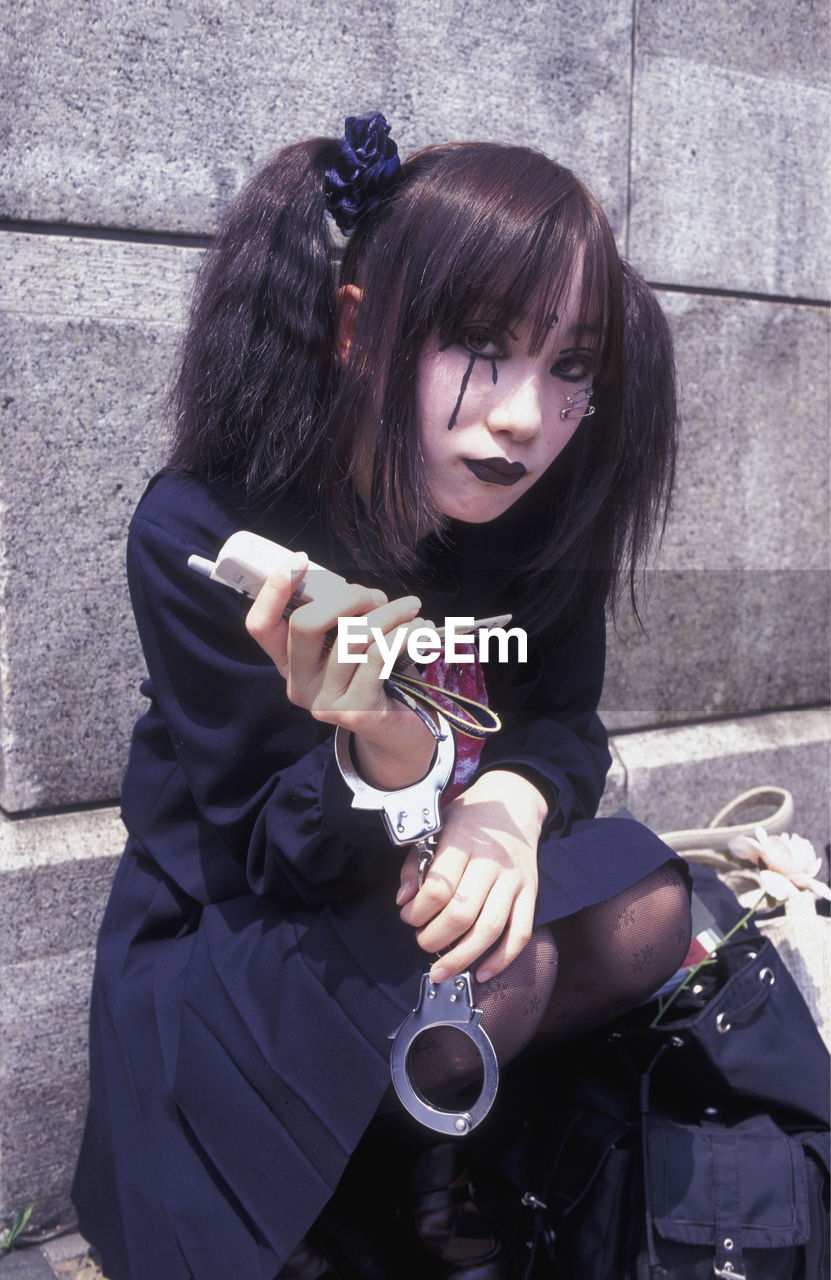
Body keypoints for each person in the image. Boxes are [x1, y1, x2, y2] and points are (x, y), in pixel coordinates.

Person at [73, 115, 692, 1279]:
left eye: (570, 366)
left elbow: (564, 721)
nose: (526, 417)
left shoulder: (537, 519)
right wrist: (389, 750)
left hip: (419, 912)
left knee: (650, 904)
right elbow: (264, 847)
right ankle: (334, 1199)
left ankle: (432, 1178)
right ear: (360, 331)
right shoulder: (210, 529)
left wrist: (505, 805)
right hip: (239, 936)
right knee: (503, 969)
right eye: (480, 344)